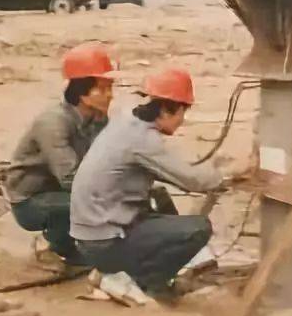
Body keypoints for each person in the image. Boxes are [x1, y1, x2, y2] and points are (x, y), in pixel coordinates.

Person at [70, 68, 223, 296]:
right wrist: (227, 174)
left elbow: (170, 170)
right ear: (166, 109)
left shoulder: (127, 121)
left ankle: (119, 271)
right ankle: (142, 282)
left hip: (90, 231)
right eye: (183, 112)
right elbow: (193, 181)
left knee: (160, 196)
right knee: (198, 228)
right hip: (104, 241)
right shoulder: (143, 140)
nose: (182, 120)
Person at [4, 43, 117, 263]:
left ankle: (72, 244)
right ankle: (53, 247)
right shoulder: (53, 122)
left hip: (60, 193)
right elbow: (70, 178)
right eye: (103, 89)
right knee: (95, 203)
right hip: (31, 201)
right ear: (83, 94)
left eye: (111, 88)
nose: (110, 96)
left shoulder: (97, 118)